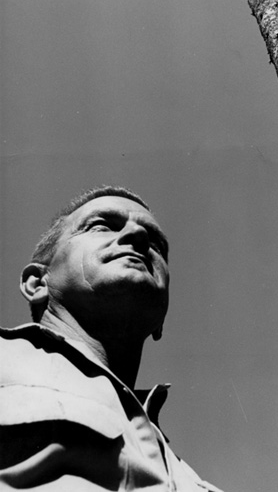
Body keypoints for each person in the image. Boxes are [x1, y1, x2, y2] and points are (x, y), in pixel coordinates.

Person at [0, 186, 222, 491]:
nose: (139, 237)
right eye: (101, 225)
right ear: (37, 282)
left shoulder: (189, 477)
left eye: (155, 242)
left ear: (161, 320)